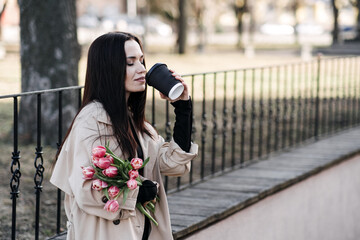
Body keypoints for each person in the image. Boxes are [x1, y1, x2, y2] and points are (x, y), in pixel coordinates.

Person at [50, 31, 198, 240]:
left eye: (141, 60)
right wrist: (137, 192)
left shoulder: (133, 122)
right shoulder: (92, 121)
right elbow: (86, 189)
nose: (142, 70)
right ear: (109, 69)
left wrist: (183, 108)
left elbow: (172, 164)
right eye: (130, 63)